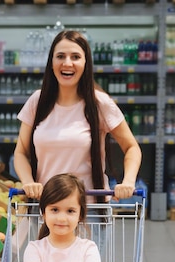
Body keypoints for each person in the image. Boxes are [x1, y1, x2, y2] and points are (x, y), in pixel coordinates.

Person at [13, 29, 142, 202]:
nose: (67, 63)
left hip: (88, 210)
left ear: (85, 63)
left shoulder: (100, 104)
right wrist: (28, 182)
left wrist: (128, 182)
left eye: (75, 57)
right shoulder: (37, 101)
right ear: (51, 62)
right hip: (46, 209)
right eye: (60, 56)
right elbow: (21, 153)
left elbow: (132, 147)